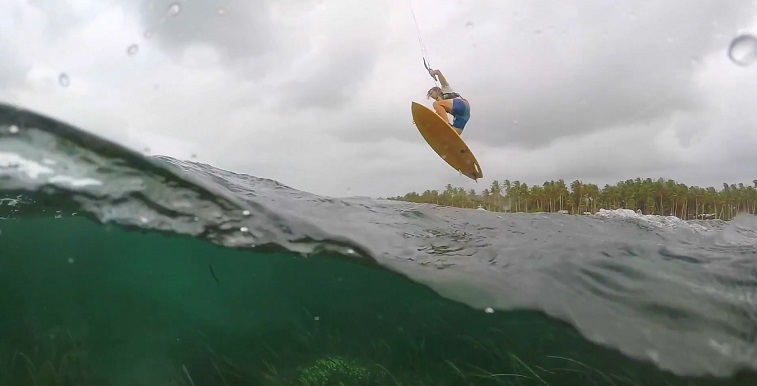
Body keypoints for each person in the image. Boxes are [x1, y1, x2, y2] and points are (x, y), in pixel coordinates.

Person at [426, 69, 470, 135]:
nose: (431, 96)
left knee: (436, 104)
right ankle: (450, 132)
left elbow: (438, 72)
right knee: (454, 133)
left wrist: (433, 73)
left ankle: (447, 124)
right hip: (463, 115)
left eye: (431, 93)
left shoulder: (445, 88)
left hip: (461, 104)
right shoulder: (441, 105)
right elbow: (436, 115)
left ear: (437, 90)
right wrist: (421, 118)